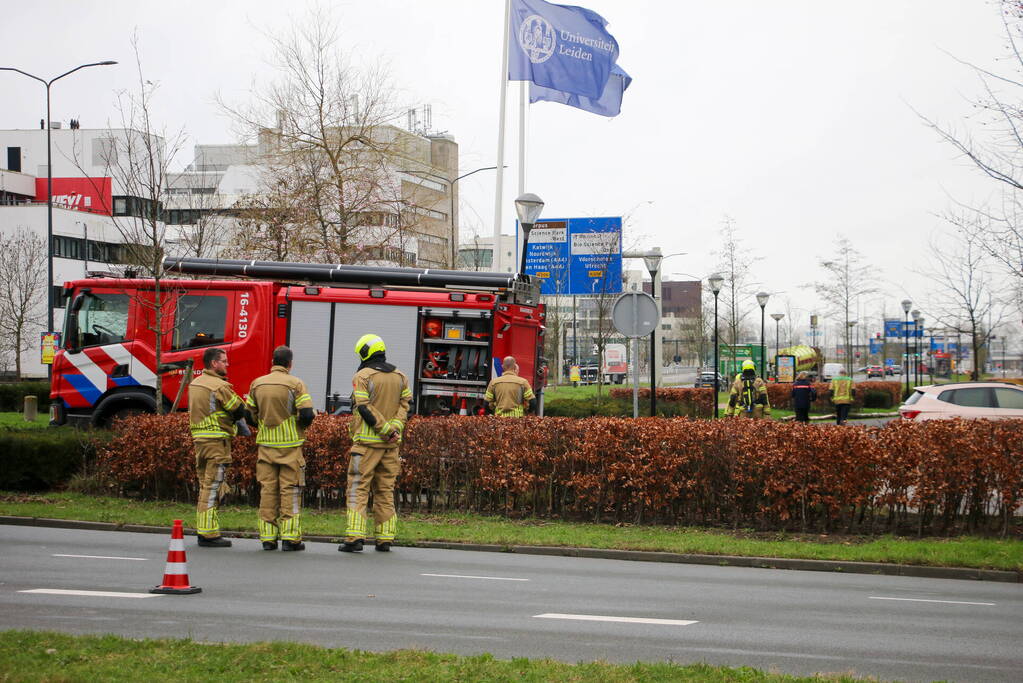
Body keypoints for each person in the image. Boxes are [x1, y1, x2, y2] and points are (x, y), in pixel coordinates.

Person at [340, 334, 412, 553]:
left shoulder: (362, 376)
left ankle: (355, 538)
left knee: (357, 489)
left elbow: (363, 406)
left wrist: (383, 429)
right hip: (391, 446)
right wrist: (395, 429)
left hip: (366, 446)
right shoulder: (401, 376)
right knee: (385, 491)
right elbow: (405, 405)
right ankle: (385, 539)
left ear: (365, 353)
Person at [246, 345, 315, 552]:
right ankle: (290, 539)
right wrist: (298, 427)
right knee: (290, 491)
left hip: (266, 446)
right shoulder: (296, 384)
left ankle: (268, 538)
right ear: (289, 364)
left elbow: (249, 415)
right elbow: (307, 414)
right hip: (290, 448)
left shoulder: (257, 384)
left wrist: (263, 426)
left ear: (273, 362)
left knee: (268, 491)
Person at [189, 347, 247, 547]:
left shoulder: (195, 384)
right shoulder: (219, 386)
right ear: (214, 363)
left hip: (200, 442)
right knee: (213, 487)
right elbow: (238, 409)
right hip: (217, 443)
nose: (227, 364)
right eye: (224, 361)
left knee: (205, 486)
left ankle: (206, 529)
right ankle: (208, 534)